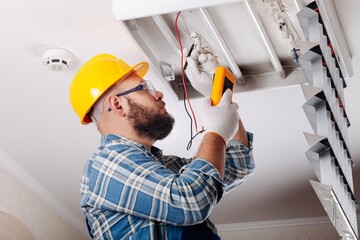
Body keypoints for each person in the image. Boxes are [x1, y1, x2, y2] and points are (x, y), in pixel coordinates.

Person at [69, 53, 255, 240]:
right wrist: (216, 132)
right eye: (144, 88)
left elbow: (238, 165)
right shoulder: (105, 163)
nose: (158, 94)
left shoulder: (164, 168)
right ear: (117, 104)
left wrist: (220, 97)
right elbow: (190, 201)